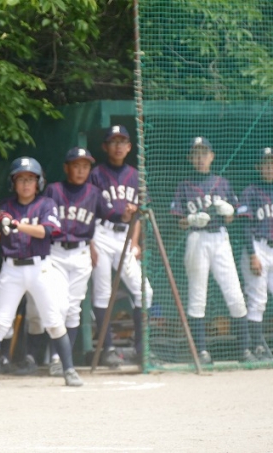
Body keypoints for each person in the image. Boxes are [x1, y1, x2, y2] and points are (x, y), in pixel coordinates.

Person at [0, 156, 83, 388]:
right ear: (13, 183)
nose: (25, 184)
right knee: (0, 322)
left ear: (38, 182)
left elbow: (45, 231)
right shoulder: (5, 207)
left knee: (53, 320)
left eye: (30, 179)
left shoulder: (46, 204)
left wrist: (15, 224)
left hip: (40, 268)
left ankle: (69, 370)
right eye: (21, 179)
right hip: (11, 269)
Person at [23, 147, 133, 376]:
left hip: (81, 253)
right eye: (76, 165)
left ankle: (62, 360)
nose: (81, 170)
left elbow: (110, 215)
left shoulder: (94, 192)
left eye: (85, 166)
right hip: (56, 252)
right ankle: (55, 356)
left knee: (73, 309)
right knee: (59, 306)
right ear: (67, 168)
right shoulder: (54, 190)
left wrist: (125, 215)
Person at [170, 136, 254, 365]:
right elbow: (177, 221)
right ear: (190, 158)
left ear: (212, 156)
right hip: (197, 239)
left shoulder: (222, 183)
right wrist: (191, 220)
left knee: (234, 293)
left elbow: (232, 217)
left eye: (204, 153)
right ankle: (201, 351)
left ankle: (245, 349)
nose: (200, 158)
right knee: (198, 295)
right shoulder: (184, 185)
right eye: (196, 154)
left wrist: (228, 212)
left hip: (220, 238)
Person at [89, 125, 154, 366]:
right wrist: (90, 244)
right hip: (101, 233)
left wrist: (135, 242)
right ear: (105, 146)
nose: (118, 146)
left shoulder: (136, 176)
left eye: (122, 142)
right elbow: (88, 210)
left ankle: (141, 348)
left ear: (129, 147)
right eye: (113, 141)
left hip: (125, 236)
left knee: (144, 291)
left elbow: (139, 214)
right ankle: (107, 349)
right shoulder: (96, 174)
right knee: (103, 292)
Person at [236, 146, 273, 362]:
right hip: (258, 248)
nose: (269, 168)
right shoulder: (250, 191)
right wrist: (252, 255)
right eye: (266, 164)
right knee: (258, 299)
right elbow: (245, 227)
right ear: (259, 167)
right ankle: (257, 346)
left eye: (272, 164)